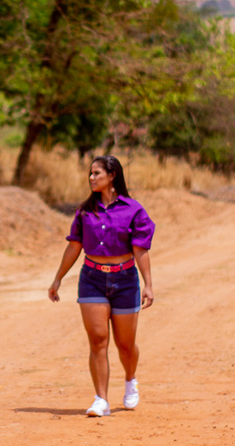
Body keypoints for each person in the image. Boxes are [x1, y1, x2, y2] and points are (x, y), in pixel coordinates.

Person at [48, 155, 155, 417]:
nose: (91, 178)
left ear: (112, 175)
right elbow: (75, 245)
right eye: (90, 174)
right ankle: (101, 400)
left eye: (96, 173)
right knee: (98, 341)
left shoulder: (133, 210)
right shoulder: (85, 211)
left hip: (125, 280)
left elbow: (140, 249)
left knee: (125, 344)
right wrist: (58, 278)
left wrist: (148, 284)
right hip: (92, 279)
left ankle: (130, 380)